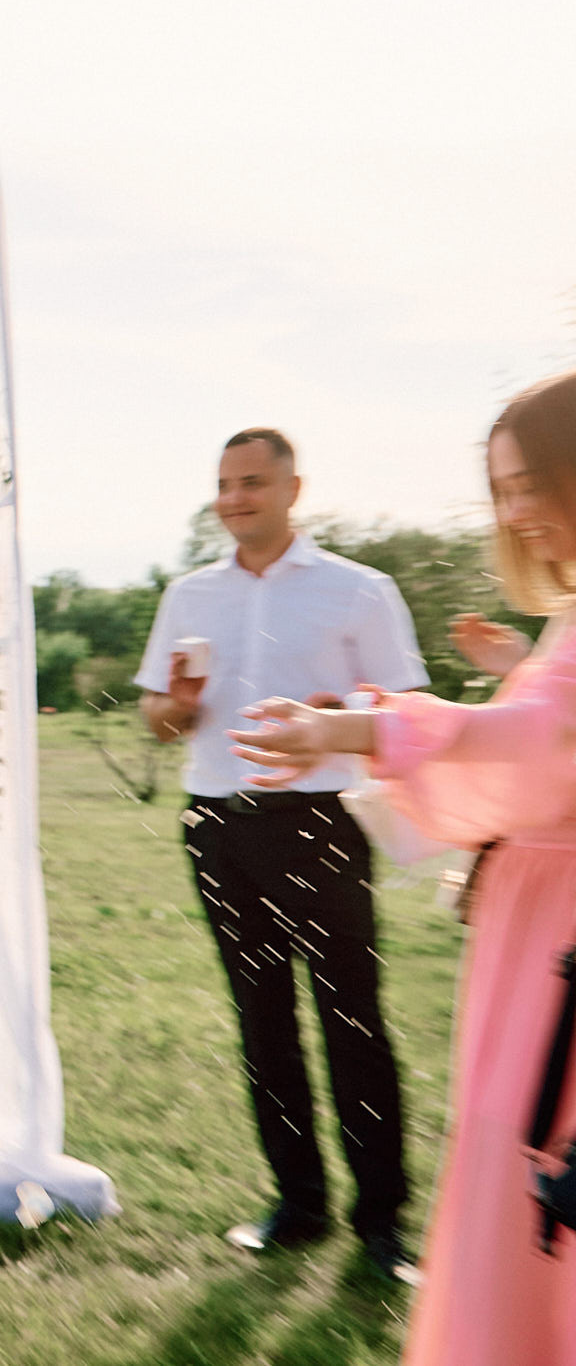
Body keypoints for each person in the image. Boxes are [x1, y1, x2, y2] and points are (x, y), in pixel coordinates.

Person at [231, 370, 576, 1364]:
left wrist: (349, 727)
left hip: (563, 939)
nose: (514, 511)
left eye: (531, 484)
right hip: (531, 925)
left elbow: (547, 739)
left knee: (535, 1150)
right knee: (511, 1148)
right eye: (500, 489)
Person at [133, 427, 425, 1280]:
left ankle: (382, 1224)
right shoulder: (188, 595)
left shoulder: (359, 592)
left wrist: (342, 713)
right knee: (262, 1024)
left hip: (321, 823)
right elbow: (156, 717)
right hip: (218, 824)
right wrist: (177, 707)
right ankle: (296, 1207)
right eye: (224, 484)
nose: (234, 499)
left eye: (252, 482)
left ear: (294, 489)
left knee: (352, 1021)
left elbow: (403, 711)